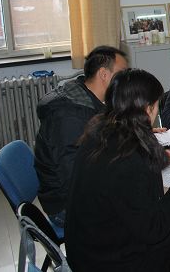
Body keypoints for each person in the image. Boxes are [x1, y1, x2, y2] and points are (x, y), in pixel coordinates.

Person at [65, 69, 170, 272]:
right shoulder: (128, 158)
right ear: (147, 109)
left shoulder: (100, 132)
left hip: (87, 246)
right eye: (156, 105)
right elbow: (154, 228)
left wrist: (154, 154)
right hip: (110, 261)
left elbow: (127, 194)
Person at [34, 46, 128, 228]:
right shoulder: (69, 117)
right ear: (103, 74)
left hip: (83, 191)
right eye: (122, 73)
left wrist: (136, 132)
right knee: (139, 211)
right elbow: (74, 179)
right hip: (67, 206)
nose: (126, 79)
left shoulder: (90, 97)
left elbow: (107, 133)